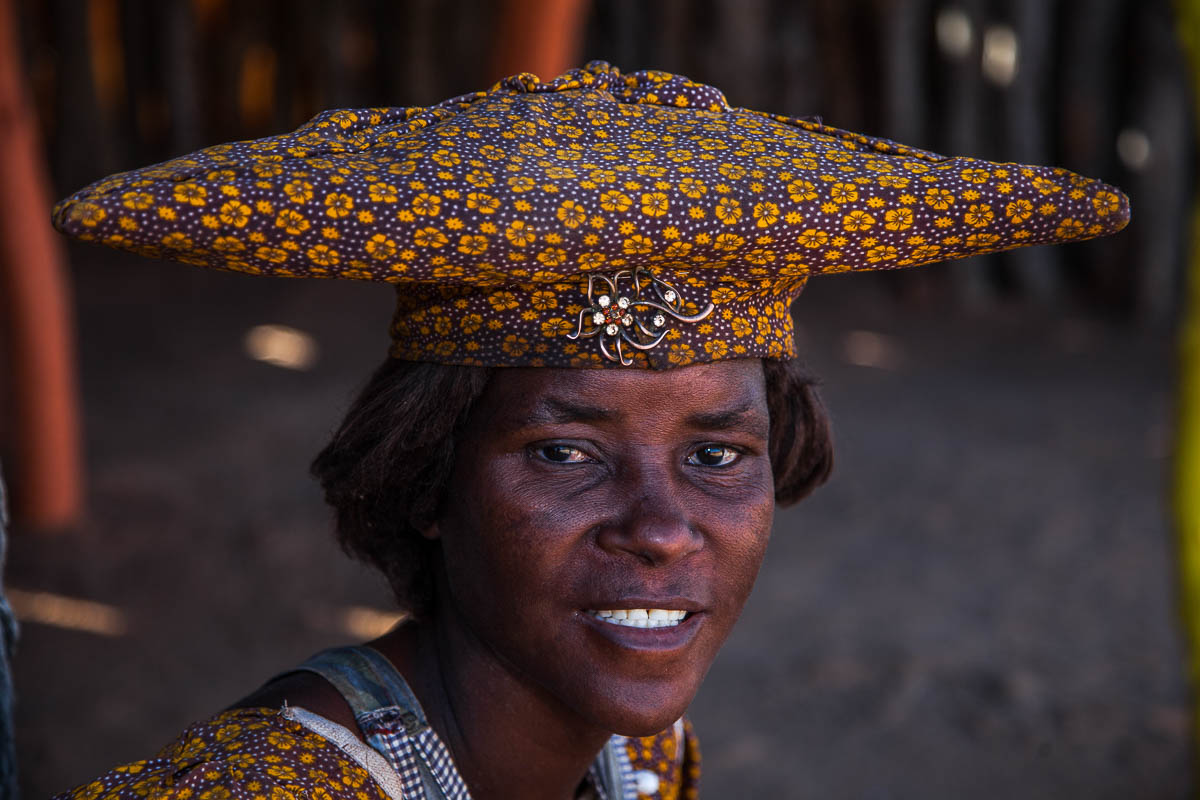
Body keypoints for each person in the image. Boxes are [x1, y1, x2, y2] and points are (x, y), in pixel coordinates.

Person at [49, 62, 1128, 800]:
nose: (661, 530)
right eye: (567, 452)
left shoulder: (641, 755)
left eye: (717, 454)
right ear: (425, 478)